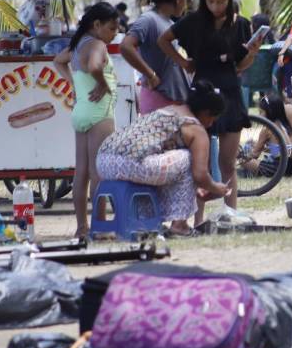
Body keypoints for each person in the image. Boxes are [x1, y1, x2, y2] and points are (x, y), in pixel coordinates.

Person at [160, 0, 262, 210]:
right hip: (203, 90)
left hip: (230, 90)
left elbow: (240, 67)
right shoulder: (193, 21)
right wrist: (183, 62)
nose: (217, 6)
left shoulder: (241, 24)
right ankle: (196, 216)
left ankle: (231, 213)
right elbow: (163, 40)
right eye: (212, 1)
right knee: (199, 161)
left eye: (222, 1)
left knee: (227, 162)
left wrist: (253, 54)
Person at [97, 80, 231, 236]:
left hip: (103, 160)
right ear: (206, 112)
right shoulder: (195, 128)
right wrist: (216, 188)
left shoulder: (171, 109)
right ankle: (179, 225)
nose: (211, 123)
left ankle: (145, 220)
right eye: (213, 118)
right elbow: (200, 175)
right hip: (130, 163)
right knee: (188, 159)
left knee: (163, 162)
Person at [53, 3, 120, 240]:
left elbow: (57, 61)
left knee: (80, 172)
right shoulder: (98, 45)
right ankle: (99, 227)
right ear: (97, 25)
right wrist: (102, 83)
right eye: (112, 28)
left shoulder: (77, 44)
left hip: (81, 111)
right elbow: (93, 66)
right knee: (97, 172)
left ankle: (82, 227)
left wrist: (72, 83)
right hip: (99, 113)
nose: (115, 33)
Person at [120, 0, 190, 115]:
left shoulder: (168, 22)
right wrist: (150, 75)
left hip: (170, 100)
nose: (186, 5)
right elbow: (125, 46)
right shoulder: (148, 19)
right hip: (159, 99)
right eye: (186, 0)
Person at [244, 76, 292, 177]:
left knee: (243, 154)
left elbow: (255, 154)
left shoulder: (285, 112)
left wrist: (247, 153)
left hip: (285, 165)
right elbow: (290, 147)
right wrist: (271, 148)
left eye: (261, 112)